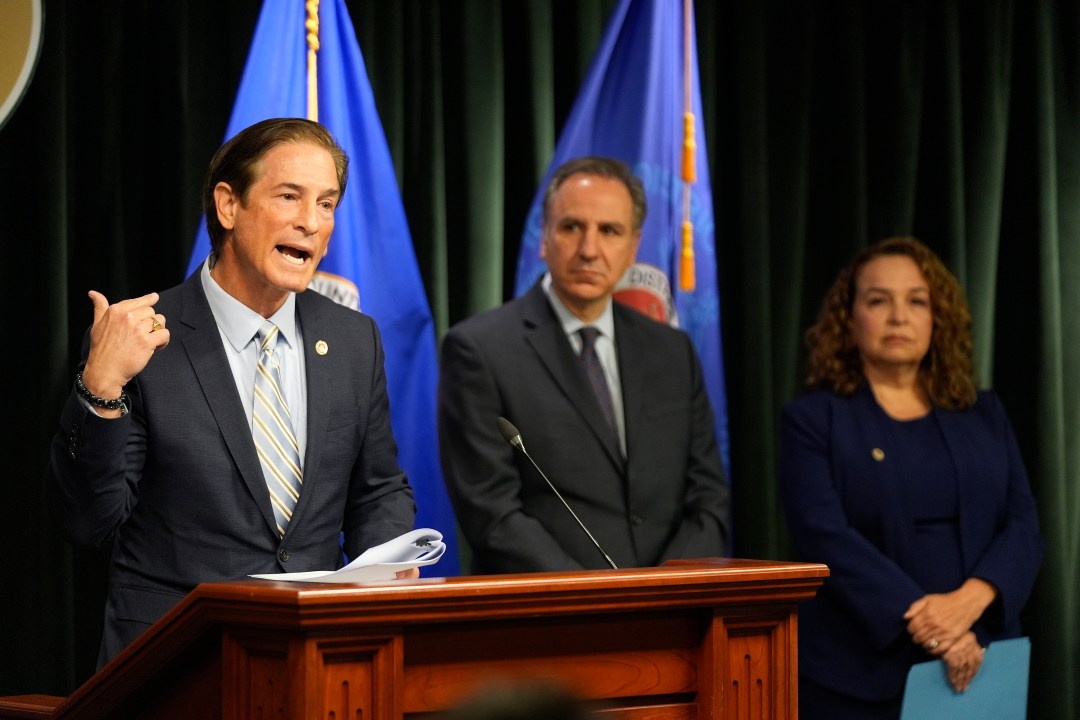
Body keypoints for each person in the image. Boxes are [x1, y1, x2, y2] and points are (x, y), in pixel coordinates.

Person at [45, 118, 417, 667]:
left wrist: (384, 567)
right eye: (289, 196)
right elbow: (87, 522)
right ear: (228, 205)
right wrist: (101, 387)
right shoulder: (144, 338)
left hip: (317, 659)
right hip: (176, 662)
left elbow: (378, 490)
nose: (312, 222)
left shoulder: (353, 339)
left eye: (327, 203)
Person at [778, 236, 1044, 719]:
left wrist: (971, 602)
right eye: (878, 300)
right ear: (849, 318)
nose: (898, 316)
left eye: (916, 301)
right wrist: (936, 627)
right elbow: (823, 536)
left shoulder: (983, 413)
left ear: (936, 317)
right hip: (856, 676)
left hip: (980, 661)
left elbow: (1023, 524)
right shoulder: (813, 421)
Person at [438, 156, 730, 573]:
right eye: (572, 227)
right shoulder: (479, 350)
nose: (589, 250)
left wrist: (665, 589)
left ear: (633, 246)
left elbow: (708, 499)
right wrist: (598, 598)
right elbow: (493, 514)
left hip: (672, 604)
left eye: (609, 231)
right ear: (544, 238)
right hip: (551, 606)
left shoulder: (673, 352)